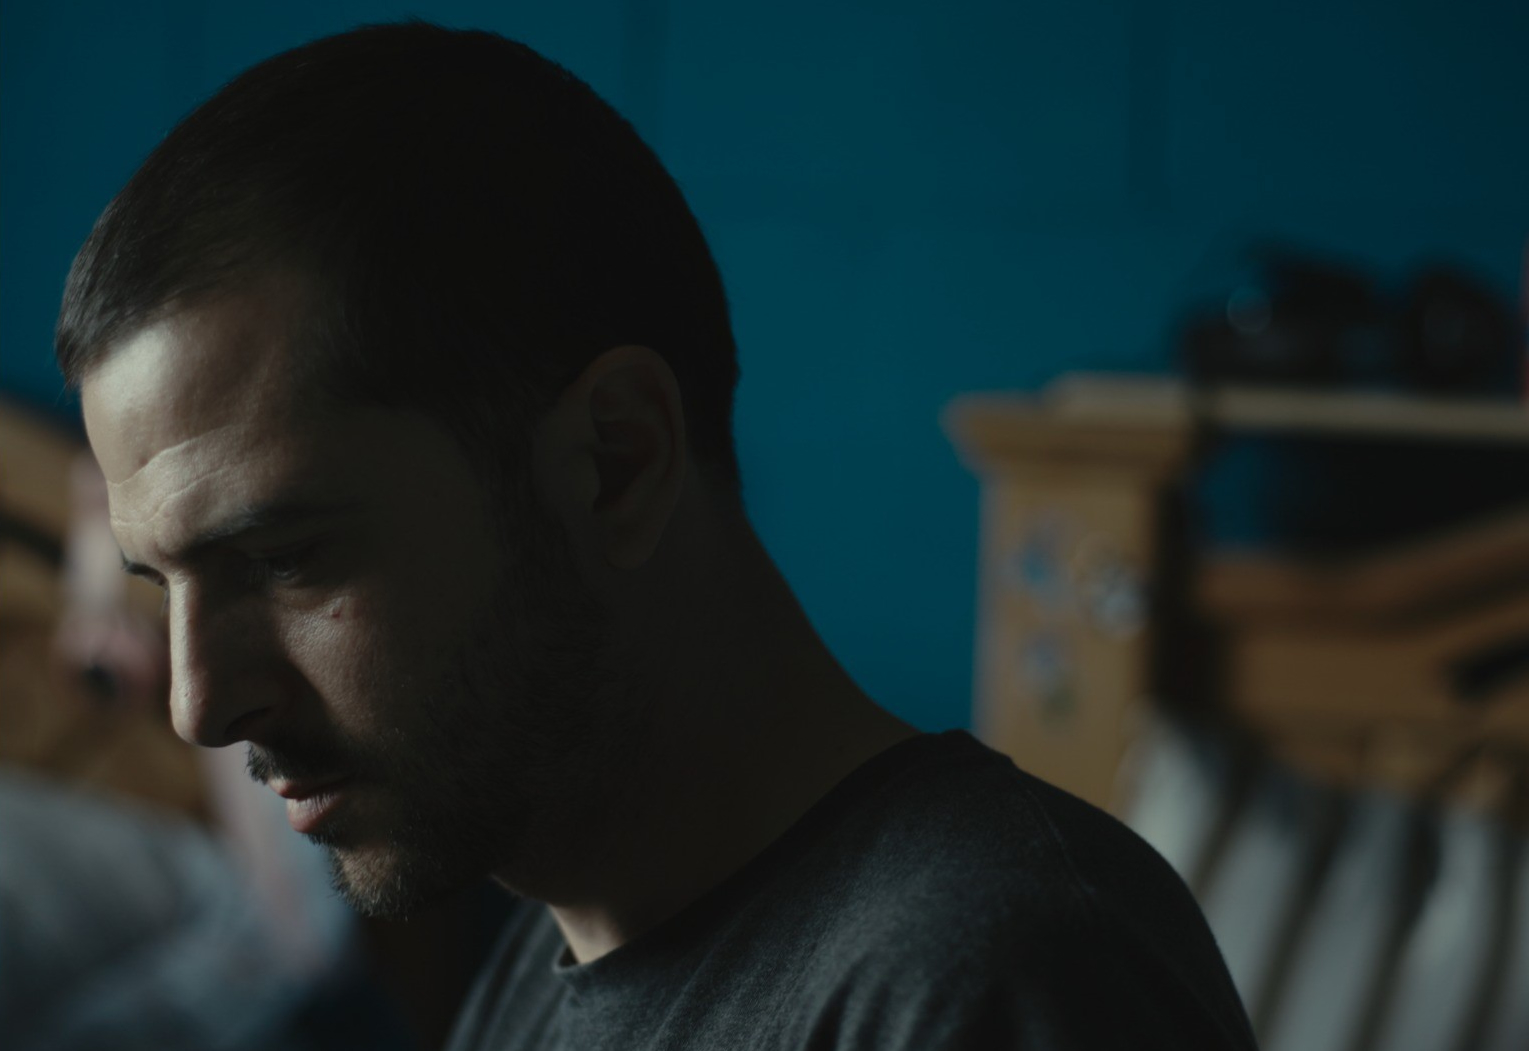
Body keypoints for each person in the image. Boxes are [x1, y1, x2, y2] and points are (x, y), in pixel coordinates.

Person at [58, 21, 1257, 1050]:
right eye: (159, 582)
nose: (199, 707)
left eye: (282, 556)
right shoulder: (547, 960)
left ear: (614, 460)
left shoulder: (990, 980)